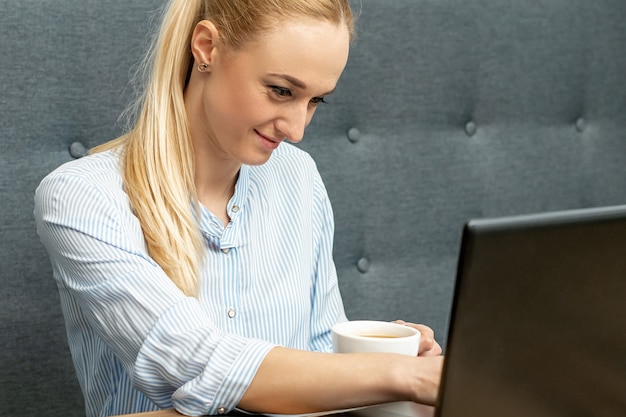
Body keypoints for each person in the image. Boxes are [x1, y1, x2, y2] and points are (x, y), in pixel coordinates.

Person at [34, 0, 443, 416]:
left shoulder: (299, 177)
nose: (297, 129)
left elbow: (322, 358)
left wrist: (400, 379)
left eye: (316, 100)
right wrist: (397, 376)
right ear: (207, 48)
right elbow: (198, 365)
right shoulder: (83, 197)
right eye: (281, 91)